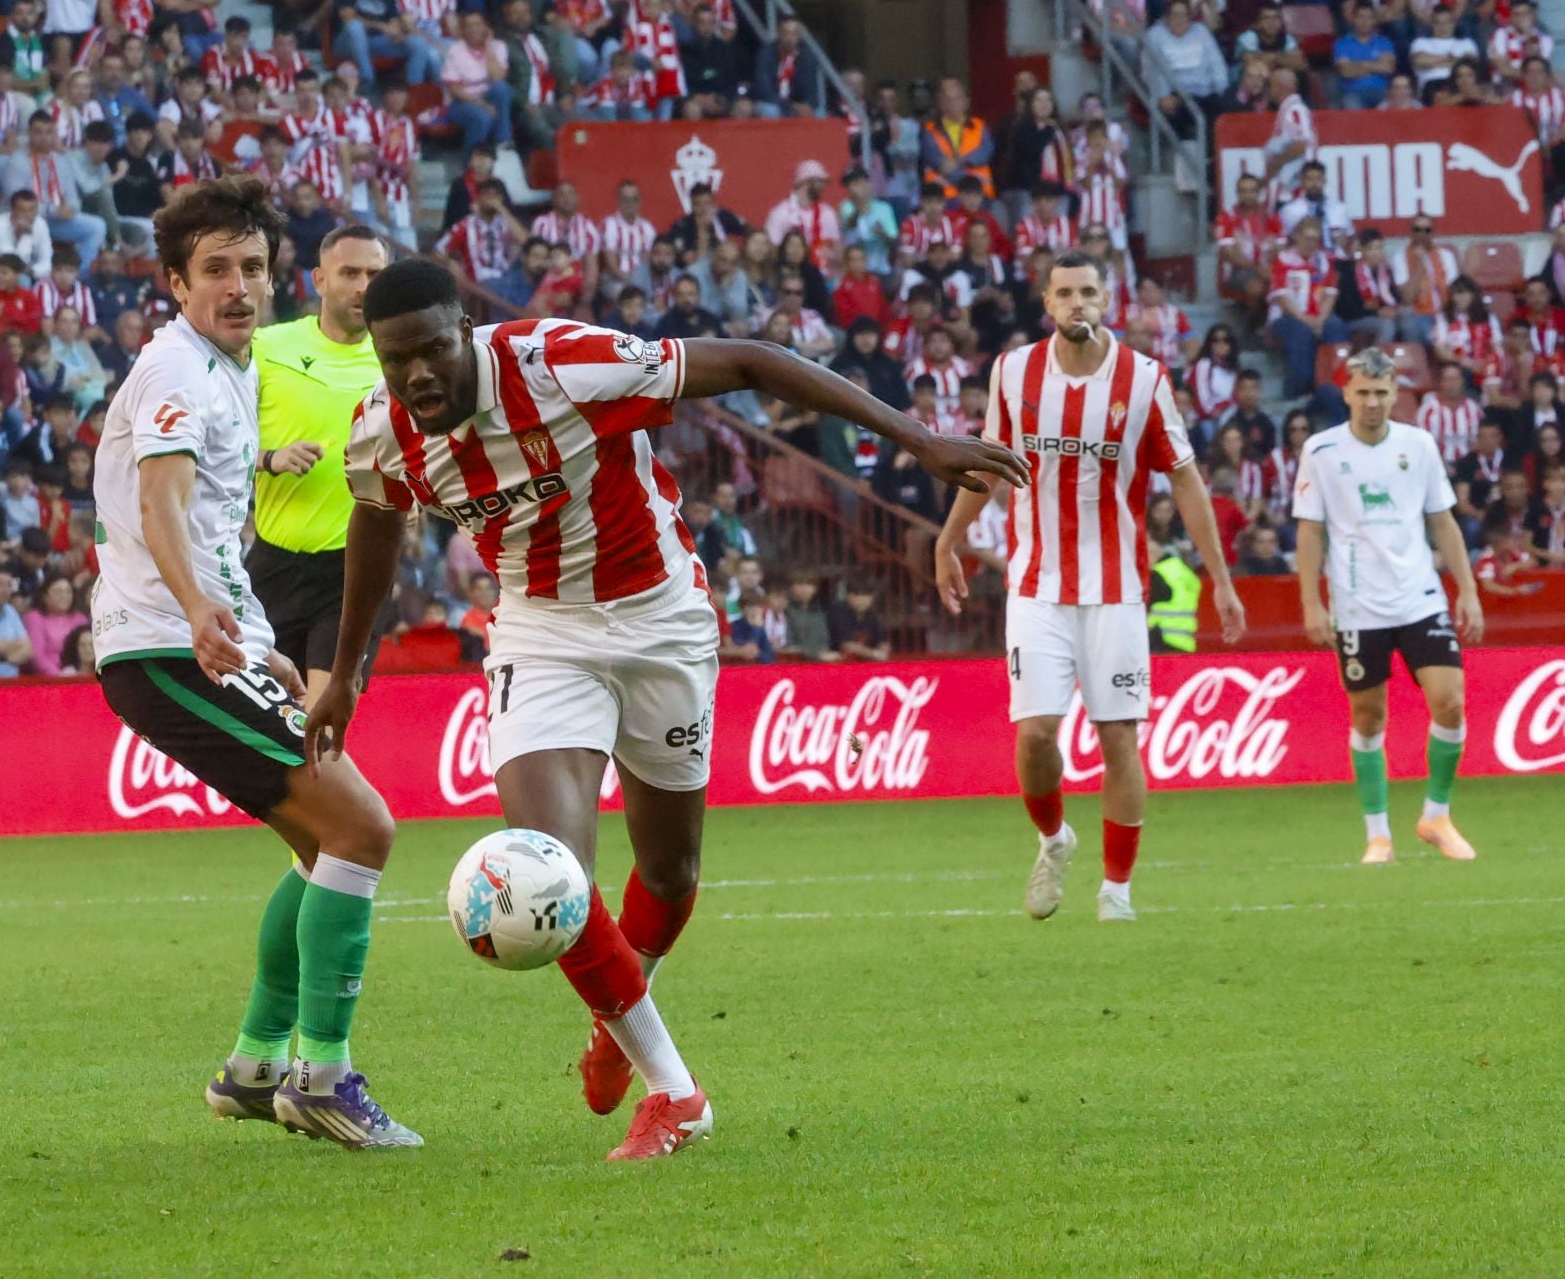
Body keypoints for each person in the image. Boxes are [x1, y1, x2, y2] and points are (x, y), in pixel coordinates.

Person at [307, 256, 1026, 1159]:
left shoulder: (562, 364)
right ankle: (675, 1091)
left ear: (465, 333)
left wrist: (918, 439)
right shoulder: (381, 431)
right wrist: (346, 672)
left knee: (673, 872)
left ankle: (619, 1018)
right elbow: (377, 522)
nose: (415, 376)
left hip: (662, 621)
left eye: (432, 353)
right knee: (551, 871)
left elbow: (755, 360)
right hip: (540, 633)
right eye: (395, 360)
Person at [88, 175, 417, 1150]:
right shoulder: (177, 372)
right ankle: (322, 1079)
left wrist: (257, 641)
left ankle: (255, 1065)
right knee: (362, 826)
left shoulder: (227, 367)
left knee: (324, 848)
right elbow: (162, 504)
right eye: (216, 269)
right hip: (166, 645)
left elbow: (211, 530)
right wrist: (199, 612)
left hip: (210, 640)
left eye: (253, 267)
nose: (238, 286)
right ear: (175, 282)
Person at [935, 249, 1247, 924]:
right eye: (1065, 293)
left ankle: (1116, 892)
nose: (1077, 303)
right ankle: (1053, 840)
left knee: (1118, 737)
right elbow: (988, 465)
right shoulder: (1013, 372)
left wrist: (1220, 579)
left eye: (1089, 292)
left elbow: (1186, 479)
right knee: (1036, 735)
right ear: (1047, 303)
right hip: (1036, 584)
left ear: (1107, 301)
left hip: (1117, 589)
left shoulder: (1144, 379)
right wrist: (948, 539)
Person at [1292, 346, 1485, 865]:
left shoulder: (1418, 445)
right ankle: (1378, 835)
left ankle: (1436, 816)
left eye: (1381, 392)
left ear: (1396, 393)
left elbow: (1442, 519)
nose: (1372, 402)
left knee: (1450, 701)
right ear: (1346, 393)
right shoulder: (1321, 450)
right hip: (1358, 605)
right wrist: (1311, 602)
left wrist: (1467, 589)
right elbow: (1310, 530)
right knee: (1369, 716)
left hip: (1420, 596)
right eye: (1363, 392)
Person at [249, 225, 392, 703]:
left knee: (323, 720)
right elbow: (214, 447)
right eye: (350, 273)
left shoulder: (397, 361)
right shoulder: (268, 348)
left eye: (374, 274)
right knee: (269, 722)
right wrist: (270, 459)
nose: (363, 286)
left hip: (354, 567)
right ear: (319, 279)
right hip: (274, 563)